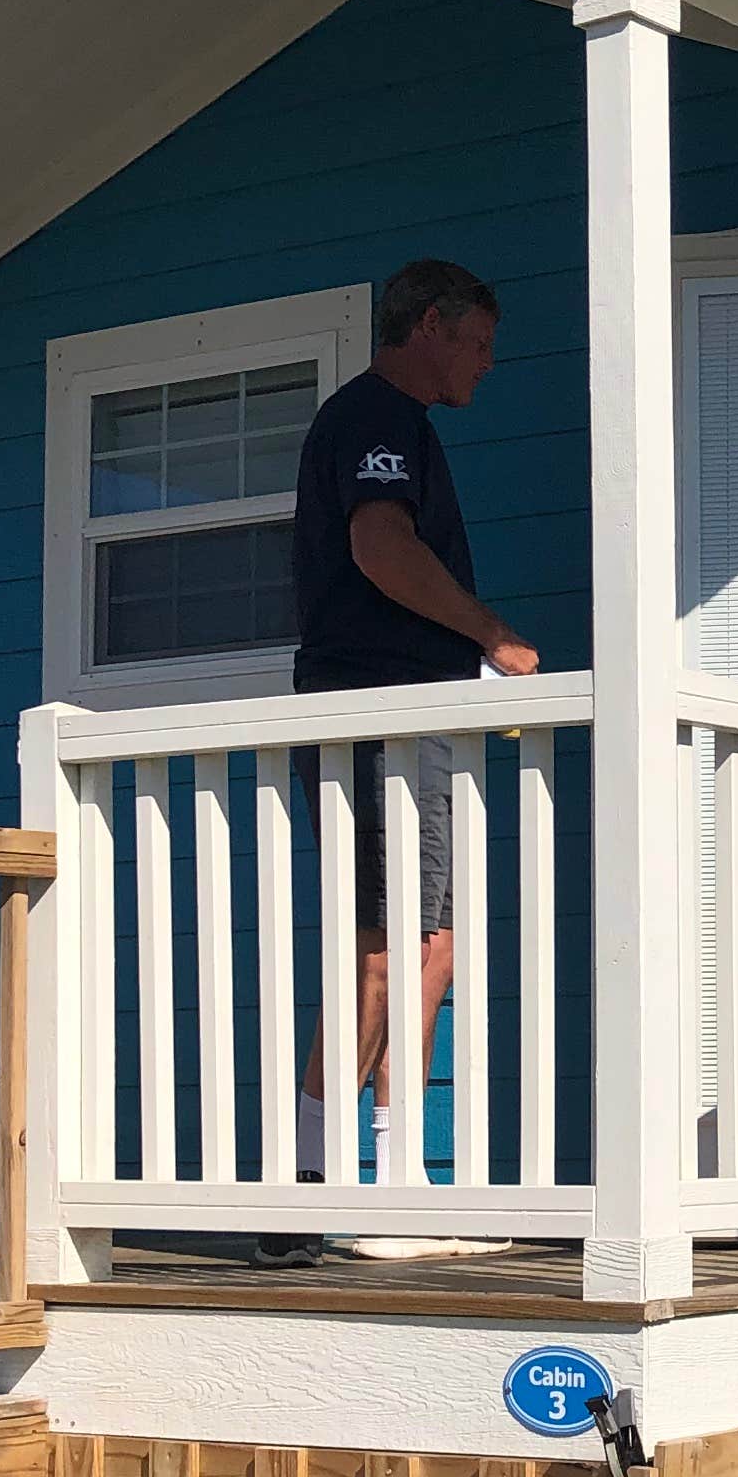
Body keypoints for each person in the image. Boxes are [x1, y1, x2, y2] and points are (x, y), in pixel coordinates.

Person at [261, 259, 539, 1265]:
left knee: (418, 949)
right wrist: (492, 635)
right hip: (380, 714)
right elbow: (381, 547)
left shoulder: (392, 425)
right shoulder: (375, 418)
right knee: (395, 950)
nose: (487, 364)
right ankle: (358, 1196)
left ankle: (333, 1191)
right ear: (429, 325)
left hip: (401, 716)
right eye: (476, 342)